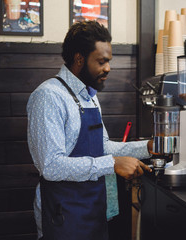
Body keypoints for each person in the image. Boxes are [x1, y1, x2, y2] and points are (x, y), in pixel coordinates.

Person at [27, 21, 152, 240]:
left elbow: (102, 147)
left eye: (109, 61)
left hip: (93, 210)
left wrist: (148, 147)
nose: (108, 68)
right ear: (79, 59)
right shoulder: (48, 97)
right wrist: (112, 163)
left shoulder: (90, 96)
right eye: (102, 61)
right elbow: (51, 166)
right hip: (63, 215)